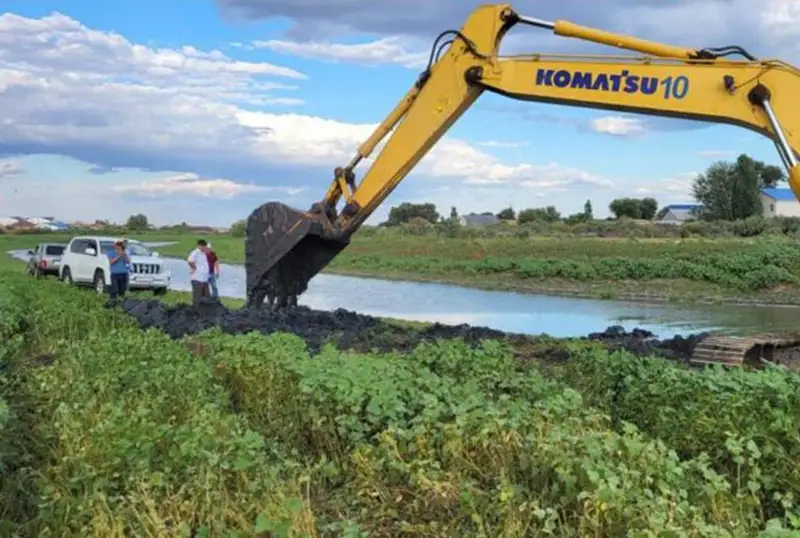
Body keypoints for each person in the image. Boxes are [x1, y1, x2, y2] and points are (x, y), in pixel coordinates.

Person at [106, 240, 130, 307]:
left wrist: (125, 255)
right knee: (114, 290)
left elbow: (128, 262)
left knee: (122, 290)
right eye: (118, 245)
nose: (119, 246)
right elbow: (111, 262)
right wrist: (119, 256)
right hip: (114, 274)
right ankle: (112, 303)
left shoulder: (124, 252)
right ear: (115, 246)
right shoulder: (110, 252)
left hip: (123, 273)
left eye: (120, 245)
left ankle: (121, 304)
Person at [187, 239, 210, 306]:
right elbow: (190, 261)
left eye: (205, 246)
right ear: (199, 246)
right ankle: (196, 309)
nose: (204, 247)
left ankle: (204, 310)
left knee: (206, 297)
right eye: (203, 246)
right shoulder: (195, 252)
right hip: (197, 278)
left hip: (204, 279)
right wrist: (195, 268)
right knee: (197, 297)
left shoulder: (204, 253)